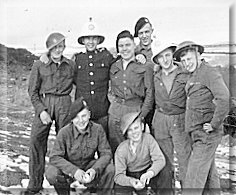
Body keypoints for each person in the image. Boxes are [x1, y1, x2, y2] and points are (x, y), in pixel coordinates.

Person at [40, 18, 146, 137]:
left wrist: (138, 54)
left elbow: (123, 61)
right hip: (82, 114)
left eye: (94, 38)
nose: (91, 42)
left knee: (105, 147)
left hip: (102, 113)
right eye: (87, 38)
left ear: (98, 40)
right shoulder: (77, 59)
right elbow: (61, 66)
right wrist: (47, 54)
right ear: (83, 41)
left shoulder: (106, 56)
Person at [173, 41, 230, 195]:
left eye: (189, 59)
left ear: (198, 54)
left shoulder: (209, 72)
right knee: (210, 179)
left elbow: (224, 99)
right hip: (197, 134)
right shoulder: (193, 75)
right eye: (183, 61)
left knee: (193, 181)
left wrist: (214, 124)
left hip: (206, 136)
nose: (186, 63)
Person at [26, 32, 76, 194]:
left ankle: (63, 184)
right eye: (54, 47)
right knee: (36, 141)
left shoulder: (70, 65)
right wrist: (41, 111)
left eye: (61, 46)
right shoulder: (39, 65)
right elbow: (32, 91)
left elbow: (80, 85)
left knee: (65, 143)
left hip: (64, 103)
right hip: (45, 103)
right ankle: (35, 185)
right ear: (49, 48)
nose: (58, 50)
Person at [45, 97, 115, 195]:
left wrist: (94, 170)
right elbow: (54, 157)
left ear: (89, 115)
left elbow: (106, 154)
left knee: (110, 169)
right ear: (72, 119)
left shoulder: (97, 129)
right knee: (51, 173)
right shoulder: (64, 132)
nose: (81, 121)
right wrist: (74, 171)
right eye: (76, 117)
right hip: (69, 168)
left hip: (88, 166)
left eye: (84, 116)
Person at [150, 42, 192, 192]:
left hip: (180, 119)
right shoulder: (156, 77)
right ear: (157, 60)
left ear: (172, 56)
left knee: (184, 158)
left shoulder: (184, 73)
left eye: (167, 55)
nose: (165, 60)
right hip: (161, 119)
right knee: (164, 160)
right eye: (161, 57)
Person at [108, 30, 154, 154]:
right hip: (115, 113)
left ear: (134, 45)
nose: (124, 49)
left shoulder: (144, 66)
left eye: (127, 45)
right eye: (121, 46)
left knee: (136, 151)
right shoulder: (114, 66)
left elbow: (150, 94)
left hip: (134, 111)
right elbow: (110, 89)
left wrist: (141, 115)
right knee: (117, 150)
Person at [114, 111, 165, 195]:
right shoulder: (122, 150)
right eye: (130, 130)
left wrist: (150, 173)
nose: (134, 132)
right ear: (126, 134)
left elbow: (160, 160)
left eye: (136, 128)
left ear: (142, 127)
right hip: (130, 175)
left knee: (165, 172)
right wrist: (131, 181)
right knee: (119, 189)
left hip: (147, 172)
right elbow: (118, 176)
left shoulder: (148, 139)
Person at [134, 17, 155, 133]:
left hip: (159, 100)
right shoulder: (135, 52)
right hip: (143, 100)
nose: (144, 36)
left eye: (146, 32)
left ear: (152, 31)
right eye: (140, 33)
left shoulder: (159, 49)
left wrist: (147, 64)